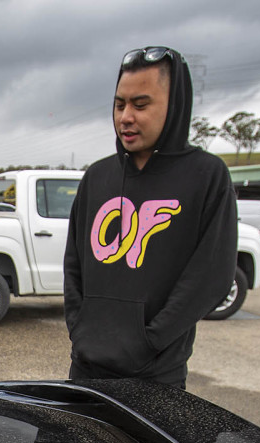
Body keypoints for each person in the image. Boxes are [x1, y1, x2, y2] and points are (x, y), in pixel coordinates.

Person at [63, 46, 237, 388]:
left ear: (173, 106)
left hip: (157, 375)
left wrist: (149, 340)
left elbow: (210, 277)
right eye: (119, 104)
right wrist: (81, 328)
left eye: (141, 105)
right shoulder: (97, 177)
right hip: (85, 370)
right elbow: (74, 265)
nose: (126, 116)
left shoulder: (206, 175)